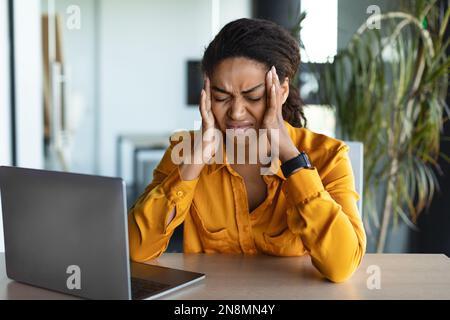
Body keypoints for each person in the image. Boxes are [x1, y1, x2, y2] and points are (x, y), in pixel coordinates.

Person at [127, 18, 366, 283]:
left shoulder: (329, 157)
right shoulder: (186, 152)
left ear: (282, 90)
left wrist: (290, 157)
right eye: (221, 97)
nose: (236, 113)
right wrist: (198, 158)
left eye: (252, 97)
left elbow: (342, 265)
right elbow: (137, 249)